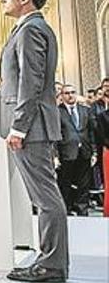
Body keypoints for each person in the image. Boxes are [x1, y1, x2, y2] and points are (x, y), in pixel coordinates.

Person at [0, 0, 67, 283]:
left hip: (33, 127)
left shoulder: (31, 30)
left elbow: (32, 82)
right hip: (35, 126)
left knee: (46, 199)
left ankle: (51, 266)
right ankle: (49, 261)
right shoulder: (30, 28)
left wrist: (19, 127)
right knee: (44, 198)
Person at [57, 85, 95, 215]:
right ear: (62, 96)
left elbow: (91, 132)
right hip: (66, 152)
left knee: (84, 184)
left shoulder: (85, 110)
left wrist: (94, 151)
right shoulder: (57, 112)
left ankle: (82, 210)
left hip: (84, 151)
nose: (70, 95)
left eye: (73, 92)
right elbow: (56, 135)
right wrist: (55, 155)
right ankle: (66, 210)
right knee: (65, 183)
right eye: (67, 93)